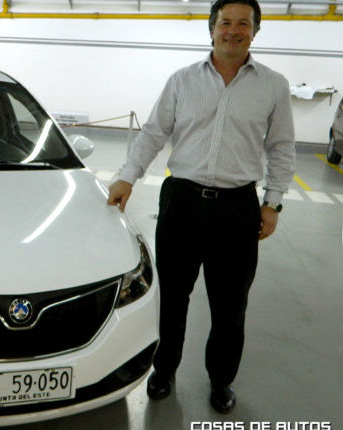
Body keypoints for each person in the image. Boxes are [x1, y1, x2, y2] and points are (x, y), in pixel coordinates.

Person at [107, 0, 295, 414]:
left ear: (255, 31)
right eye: (225, 22)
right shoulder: (182, 80)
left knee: (231, 305)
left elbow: (281, 147)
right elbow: (153, 134)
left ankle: (221, 379)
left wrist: (273, 203)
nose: (233, 30)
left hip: (237, 209)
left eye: (243, 23)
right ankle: (164, 369)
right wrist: (127, 176)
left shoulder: (273, 85)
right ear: (212, 29)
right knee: (173, 296)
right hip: (182, 203)